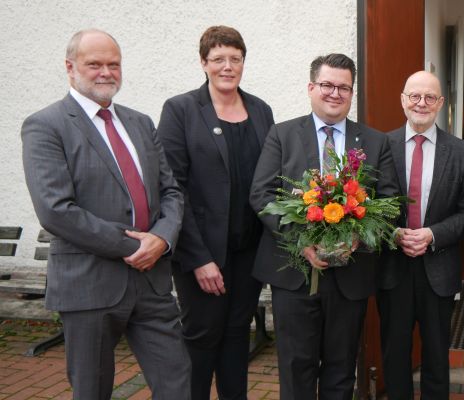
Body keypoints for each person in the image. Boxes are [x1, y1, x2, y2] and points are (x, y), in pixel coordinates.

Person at [20, 29, 189, 399]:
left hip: (152, 282)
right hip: (89, 284)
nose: (106, 72)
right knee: (92, 389)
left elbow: (172, 191)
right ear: (70, 68)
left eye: (114, 64)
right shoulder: (46, 126)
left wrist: (161, 239)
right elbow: (55, 210)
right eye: (94, 64)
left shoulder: (140, 123)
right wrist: (132, 246)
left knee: (178, 381)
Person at [249, 53, 399, 399]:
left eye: (343, 87)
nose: (335, 93)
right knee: (295, 368)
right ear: (311, 87)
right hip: (294, 276)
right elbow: (261, 194)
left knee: (341, 368)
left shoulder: (376, 142)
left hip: (351, 276)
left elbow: (389, 203)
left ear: (352, 92)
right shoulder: (282, 134)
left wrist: (357, 239)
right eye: (327, 85)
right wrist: (300, 240)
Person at [156, 26, 275, 400]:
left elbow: (271, 179)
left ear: (243, 62)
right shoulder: (181, 110)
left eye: (235, 59)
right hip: (203, 253)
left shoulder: (260, 110)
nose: (228, 66)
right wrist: (198, 259)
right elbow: (172, 189)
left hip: (248, 251)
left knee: (238, 335)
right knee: (202, 337)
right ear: (203, 62)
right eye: (219, 59)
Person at [376, 71, 464, 399]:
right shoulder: (380, 146)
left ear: (441, 103)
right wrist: (394, 234)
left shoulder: (462, 151)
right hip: (393, 268)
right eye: (414, 96)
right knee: (394, 353)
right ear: (403, 99)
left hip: (439, 266)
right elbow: (368, 205)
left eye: (429, 97)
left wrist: (432, 234)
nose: (421, 103)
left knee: (436, 355)